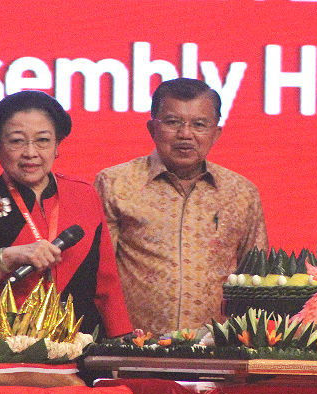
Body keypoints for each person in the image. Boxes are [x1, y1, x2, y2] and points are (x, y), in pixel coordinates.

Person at [0, 90, 132, 338]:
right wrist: (6, 258)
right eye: (17, 141)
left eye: (43, 141)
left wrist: (120, 344)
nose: (31, 152)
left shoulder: (84, 196)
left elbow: (107, 285)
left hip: (78, 345)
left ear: (57, 145)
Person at [95, 78, 268, 334]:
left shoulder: (241, 192)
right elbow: (98, 275)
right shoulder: (115, 184)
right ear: (153, 128)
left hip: (218, 350)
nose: (185, 134)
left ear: (216, 133)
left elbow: (256, 280)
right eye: (173, 122)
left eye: (199, 124)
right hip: (134, 348)